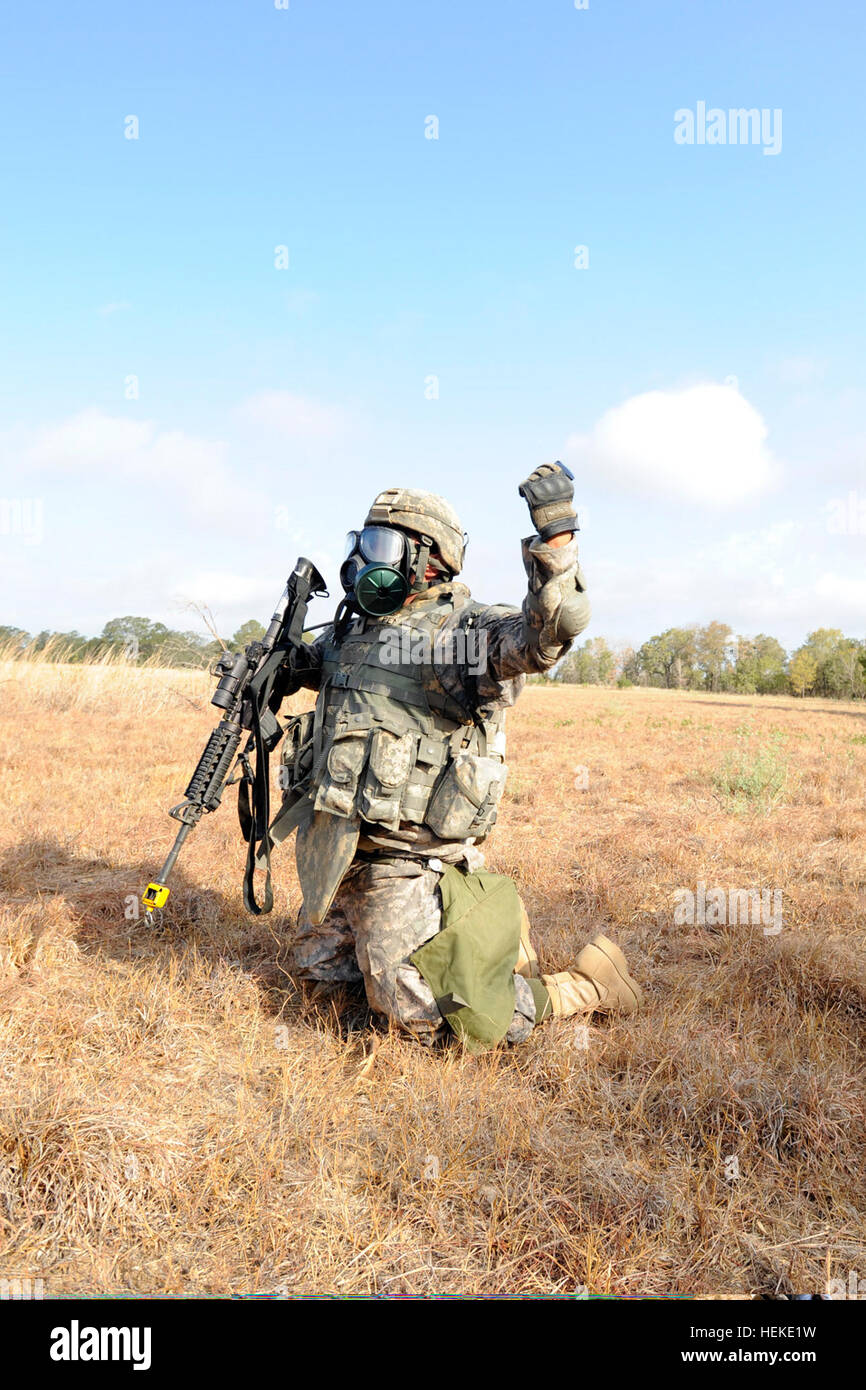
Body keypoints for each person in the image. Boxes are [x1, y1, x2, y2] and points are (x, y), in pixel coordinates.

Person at [269, 464, 642, 1050]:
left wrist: (557, 541)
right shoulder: (353, 632)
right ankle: (472, 940)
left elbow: (548, 634)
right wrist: (279, 669)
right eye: (361, 544)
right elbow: (327, 672)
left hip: (415, 857)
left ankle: (580, 986)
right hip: (346, 852)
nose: (365, 560)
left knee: (417, 1013)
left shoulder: (461, 635)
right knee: (321, 991)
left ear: (428, 558)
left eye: (381, 545)